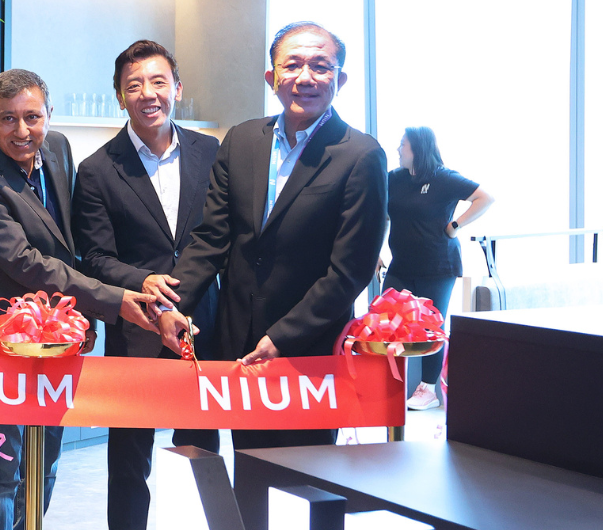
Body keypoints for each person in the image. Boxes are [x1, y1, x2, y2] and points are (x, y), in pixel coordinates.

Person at [158, 21, 388, 450]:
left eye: (321, 66)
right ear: (272, 77)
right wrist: (170, 305)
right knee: (249, 471)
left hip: (311, 349)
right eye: (293, 65)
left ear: (341, 79)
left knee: (314, 480)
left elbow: (349, 271)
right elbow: (212, 238)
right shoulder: (242, 140)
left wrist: (282, 336)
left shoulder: (361, 156)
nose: (306, 77)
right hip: (240, 344)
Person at [0, 68, 157, 530]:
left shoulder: (58, 148)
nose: (23, 132)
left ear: (49, 115)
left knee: (44, 465)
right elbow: (31, 265)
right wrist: (114, 299)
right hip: (0, 346)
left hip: (58, 344)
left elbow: (68, 243)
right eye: (8, 119)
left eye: (33, 117)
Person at [70, 40, 221, 530]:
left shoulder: (211, 152)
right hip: (135, 329)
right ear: (119, 96)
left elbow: (218, 235)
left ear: (177, 88)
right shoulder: (96, 169)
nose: (148, 94)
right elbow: (93, 256)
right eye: (134, 85)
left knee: (204, 449)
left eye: (158, 82)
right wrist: (143, 281)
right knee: (130, 458)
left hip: (204, 324)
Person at [385, 126, 493, 410]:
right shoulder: (394, 179)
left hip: (437, 265)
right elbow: (380, 214)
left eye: (403, 144)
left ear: (417, 149)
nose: (398, 149)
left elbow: (485, 198)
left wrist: (455, 226)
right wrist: (374, 252)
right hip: (401, 264)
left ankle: (429, 389)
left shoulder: (443, 178)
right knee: (386, 321)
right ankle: (388, 382)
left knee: (431, 326)